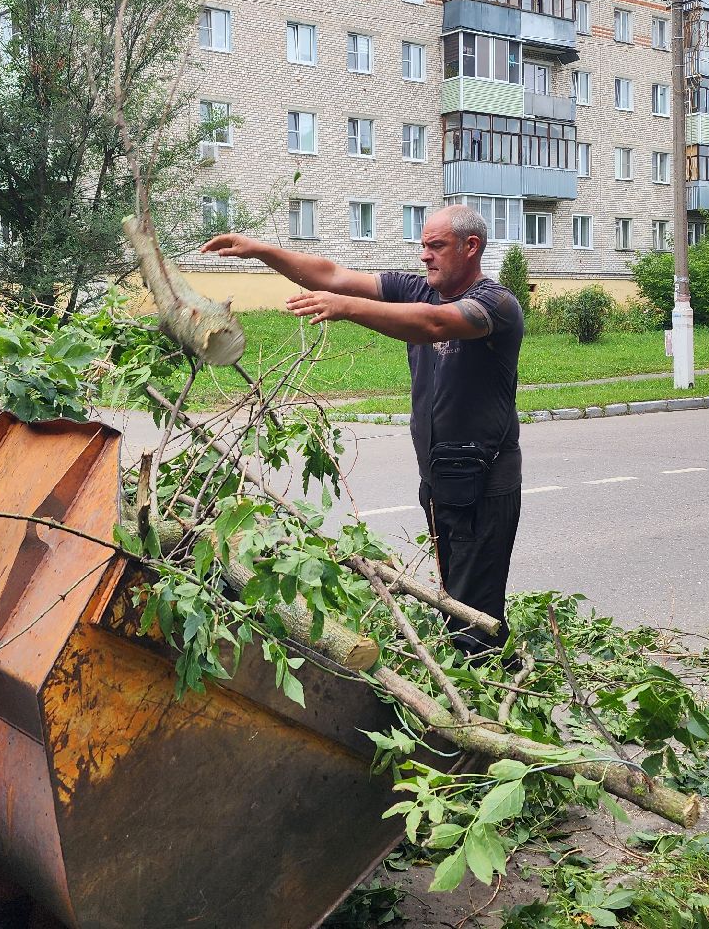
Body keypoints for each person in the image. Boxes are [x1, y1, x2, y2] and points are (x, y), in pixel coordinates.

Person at [201, 204, 523, 649]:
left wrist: (347, 308)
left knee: (475, 615)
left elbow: (433, 326)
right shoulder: (419, 289)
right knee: (456, 601)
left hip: (484, 483)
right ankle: (478, 671)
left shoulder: (496, 304)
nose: (424, 256)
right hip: (441, 479)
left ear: (471, 247)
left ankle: (480, 694)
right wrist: (261, 250)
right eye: (423, 246)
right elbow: (332, 275)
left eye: (436, 246)